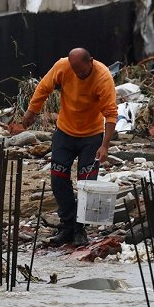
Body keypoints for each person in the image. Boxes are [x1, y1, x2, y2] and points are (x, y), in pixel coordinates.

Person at [10, 48, 117, 247]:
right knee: (58, 180)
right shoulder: (62, 66)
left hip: (91, 136)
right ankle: (68, 224)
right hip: (65, 132)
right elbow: (43, 88)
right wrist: (31, 113)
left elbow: (111, 114)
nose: (79, 75)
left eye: (83, 72)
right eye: (75, 72)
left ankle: (80, 229)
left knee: (87, 184)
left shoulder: (103, 77)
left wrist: (105, 145)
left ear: (91, 62)